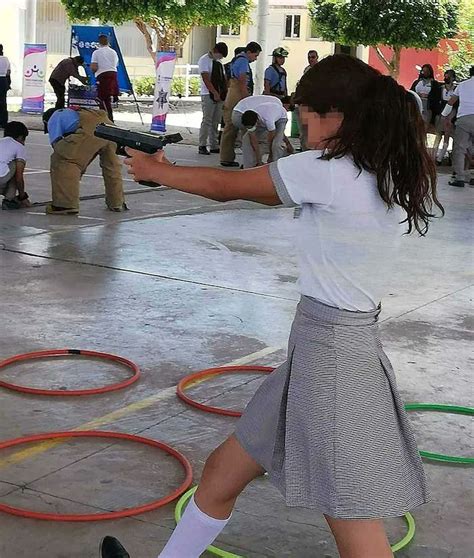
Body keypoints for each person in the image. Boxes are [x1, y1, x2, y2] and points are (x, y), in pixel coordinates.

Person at [104, 53, 442, 558]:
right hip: (323, 351)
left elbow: (228, 187)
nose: (302, 132)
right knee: (223, 473)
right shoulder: (383, 171)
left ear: (335, 115)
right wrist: (166, 171)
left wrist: (158, 171)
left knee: (352, 518)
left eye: (305, 120)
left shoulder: (327, 172)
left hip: (332, 360)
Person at [42, 107, 126, 214]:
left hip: (91, 129)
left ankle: (65, 205)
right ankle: (117, 203)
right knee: (112, 167)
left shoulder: (54, 117)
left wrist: (74, 166)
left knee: (62, 160)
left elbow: (57, 146)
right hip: (109, 126)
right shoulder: (72, 113)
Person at [220, 41, 262, 167]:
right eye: (255, 55)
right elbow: (243, 82)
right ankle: (248, 160)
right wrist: (247, 101)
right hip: (237, 95)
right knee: (242, 127)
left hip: (232, 93)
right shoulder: (243, 61)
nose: (255, 59)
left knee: (229, 128)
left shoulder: (237, 59)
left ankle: (226, 157)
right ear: (249, 52)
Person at [232, 95, 293, 168]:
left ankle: (276, 165)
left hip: (281, 118)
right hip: (267, 116)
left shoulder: (268, 120)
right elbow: (254, 142)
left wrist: (270, 156)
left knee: (276, 144)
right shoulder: (250, 116)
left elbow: (272, 138)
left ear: (257, 122)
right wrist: (259, 161)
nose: (252, 128)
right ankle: (249, 166)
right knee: (246, 139)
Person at [198, 42, 228, 155]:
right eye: (219, 54)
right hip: (208, 94)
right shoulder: (204, 60)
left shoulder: (219, 63)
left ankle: (214, 144)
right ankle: (202, 144)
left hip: (220, 95)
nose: (220, 57)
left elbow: (223, 79)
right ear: (215, 50)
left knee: (216, 121)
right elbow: (206, 79)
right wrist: (214, 92)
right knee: (207, 120)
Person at [446, 66, 474, 188]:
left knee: (460, 149)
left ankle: (460, 178)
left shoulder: (462, 85)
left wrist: (444, 116)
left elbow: (451, 101)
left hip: (464, 119)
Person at [0, 122, 30, 210]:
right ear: (21, 137)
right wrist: (22, 197)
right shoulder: (19, 146)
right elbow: (19, 178)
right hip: (1, 178)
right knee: (16, 165)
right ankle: (9, 200)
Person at [90, 34, 119, 121]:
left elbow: (94, 67)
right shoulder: (113, 52)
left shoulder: (96, 52)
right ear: (108, 41)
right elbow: (116, 64)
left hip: (102, 76)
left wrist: (91, 70)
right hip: (113, 74)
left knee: (102, 98)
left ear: (99, 42)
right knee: (108, 98)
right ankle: (108, 118)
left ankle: (108, 119)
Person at [432, 69, 458, 164]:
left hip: (451, 115)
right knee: (438, 135)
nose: (446, 78)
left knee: (448, 136)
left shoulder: (456, 89)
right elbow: (436, 102)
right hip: (441, 114)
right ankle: (434, 156)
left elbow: (456, 104)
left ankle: (442, 157)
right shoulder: (440, 89)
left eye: (449, 76)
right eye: (446, 76)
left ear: (453, 78)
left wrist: (451, 117)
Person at [410, 64, 442, 131]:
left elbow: (437, 96)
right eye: (424, 71)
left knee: (424, 126)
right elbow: (411, 92)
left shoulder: (434, 83)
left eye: (427, 71)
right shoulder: (417, 82)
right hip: (416, 105)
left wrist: (428, 96)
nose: (425, 73)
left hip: (427, 106)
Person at [0, 44, 11, 129]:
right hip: (3, 81)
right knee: (3, 103)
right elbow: (8, 72)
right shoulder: (6, 59)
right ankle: (3, 122)